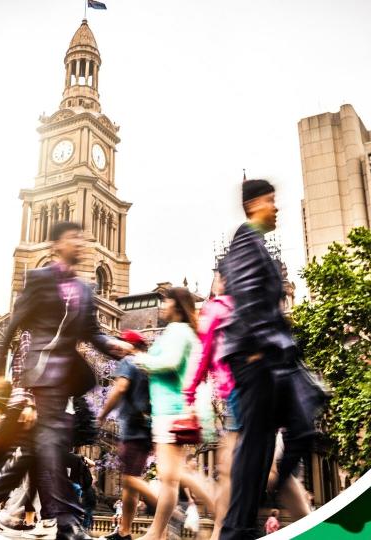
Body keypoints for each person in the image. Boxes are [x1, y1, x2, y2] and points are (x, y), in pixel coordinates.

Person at [0, 221, 131, 540]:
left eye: (83, 238)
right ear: (56, 246)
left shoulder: (84, 290)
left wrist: (115, 346)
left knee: (35, 451)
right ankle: (66, 521)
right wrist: (3, 384)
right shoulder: (38, 279)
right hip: (37, 378)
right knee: (41, 446)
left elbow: (91, 333)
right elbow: (12, 328)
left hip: (63, 382)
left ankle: (62, 520)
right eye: (74, 239)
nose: (81, 243)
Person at [219, 179, 324, 540]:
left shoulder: (257, 244)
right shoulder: (247, 241)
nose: (275, 207)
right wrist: (258, 347)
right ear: (253, 206)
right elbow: (246, 294)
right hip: (257, 354)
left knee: (295, 431)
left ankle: (254, 508)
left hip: (273, 355)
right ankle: (238, 528)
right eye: (269, 201)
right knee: (256, 444)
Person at [130, 288, 212, 540]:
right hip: (169, 410)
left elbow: (171, 362)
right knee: (172, 478)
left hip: (171, 412)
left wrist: (139, 359)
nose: (162, 305)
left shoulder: (178, 331)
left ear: (176, 305)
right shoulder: (179, 331)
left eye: (165, 300)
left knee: (173, 476)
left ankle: (221, 511)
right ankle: (157, 533)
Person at [183, 269, 234, 540]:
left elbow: (203, 355)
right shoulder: (248, 307)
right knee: (233, 466)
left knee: (228, 467)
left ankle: (221, 529)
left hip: (236, 394)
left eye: (218, 276)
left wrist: (189, 393)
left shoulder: (216, 308)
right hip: (250, 394)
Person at [98, 330, 154, 540]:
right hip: (147, 429)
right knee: (131, 481)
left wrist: (102, 415)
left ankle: (166, 506)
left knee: (130, 480)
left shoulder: (129, 362)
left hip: (132, 428)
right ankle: (125, 532)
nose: (119, 347)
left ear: (132, 344)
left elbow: (120, 388)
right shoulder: (149, 366)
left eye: (123, 342)